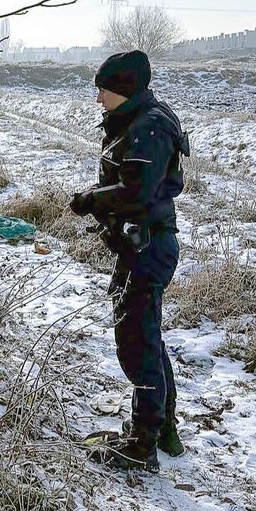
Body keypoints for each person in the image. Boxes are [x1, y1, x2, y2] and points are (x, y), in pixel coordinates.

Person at [69, 50, 190, 471]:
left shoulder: (150, 127)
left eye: (101, 89)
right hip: (143, 245)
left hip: (149, 247)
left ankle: (142, 445)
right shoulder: (138, 121)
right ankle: (161, 430)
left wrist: (90, 200)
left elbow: (137, 190)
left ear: (122, 89)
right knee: (146, 338)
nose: (97, 98)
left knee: (136, 344)